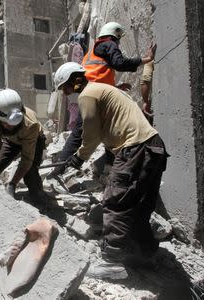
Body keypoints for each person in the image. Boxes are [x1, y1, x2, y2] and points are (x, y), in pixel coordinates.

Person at [54, 62, 168, 275]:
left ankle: (111, 262)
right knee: (139, 206)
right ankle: (147, 255)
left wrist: (78, 159)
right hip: (154, 147)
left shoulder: (88, 94)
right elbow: (111, 134)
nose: (66, 93)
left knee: (115, 202)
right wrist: (107, 168)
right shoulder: (107, 91)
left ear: (74, 81)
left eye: (65, 88)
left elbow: (91, 134)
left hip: (134, 149)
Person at [49, 22, 157, 176]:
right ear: (115, 36)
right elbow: (119, 63)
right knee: (82, 134)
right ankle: (59, 171)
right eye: (118, 40)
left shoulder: (93, 51)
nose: (118, 44)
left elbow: (96, 77)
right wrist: (146, 59)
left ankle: (106, 169)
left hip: (90, 93)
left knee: (100, 130)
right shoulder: (108, 44)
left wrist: (116, 88)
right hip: (93, 95)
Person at [0, 89, 47, 204]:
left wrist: (12, 184)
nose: (10, 127)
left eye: (14, 124)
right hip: (12, 141)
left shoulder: (31, 124)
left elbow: (26, 160)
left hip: (34, 139)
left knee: (31, 172)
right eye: (6, 124)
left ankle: (37, 196)